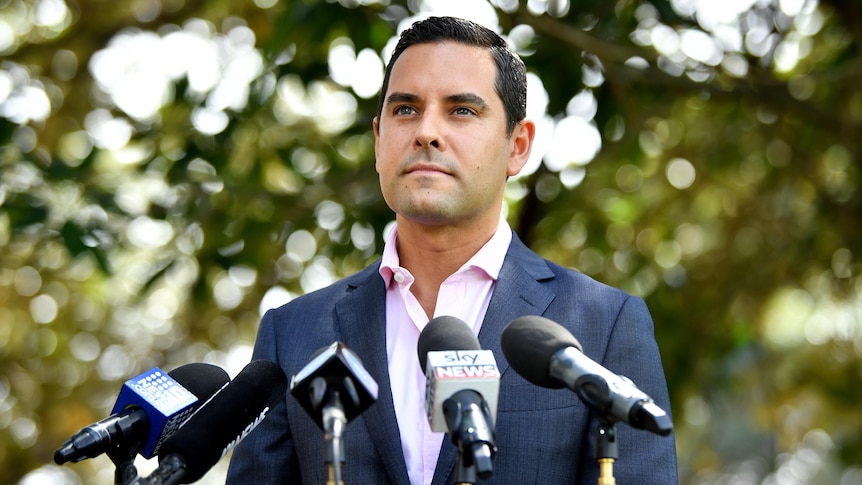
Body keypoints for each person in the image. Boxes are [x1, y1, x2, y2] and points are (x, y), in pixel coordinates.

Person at [226, 15, 678, 484]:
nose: (426, 131)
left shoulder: (601, 326)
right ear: (379, 141)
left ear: (518, 146)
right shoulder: (294, 333)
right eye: (406, 109)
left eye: (461, 110)